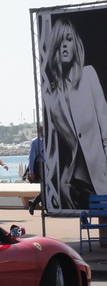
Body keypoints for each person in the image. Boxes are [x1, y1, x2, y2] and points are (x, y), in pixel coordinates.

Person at [43, 18, 107, 209]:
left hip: (101, 175)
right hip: (76, 184)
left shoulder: (88, 75)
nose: (64, 45)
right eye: (60, 41)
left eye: (69, 39)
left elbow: (105, 122)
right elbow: (57, 151)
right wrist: (61, 182)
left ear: (75, 44)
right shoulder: (52, 97)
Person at [28, 125, 45, 215]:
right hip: (40, 165)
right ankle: (35, 203)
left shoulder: (51, 140)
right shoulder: (35, 142)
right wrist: (31, 171)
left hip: (48, 165)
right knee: (46, 188)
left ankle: (34, 202)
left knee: (48, 188)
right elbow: (31, 157)